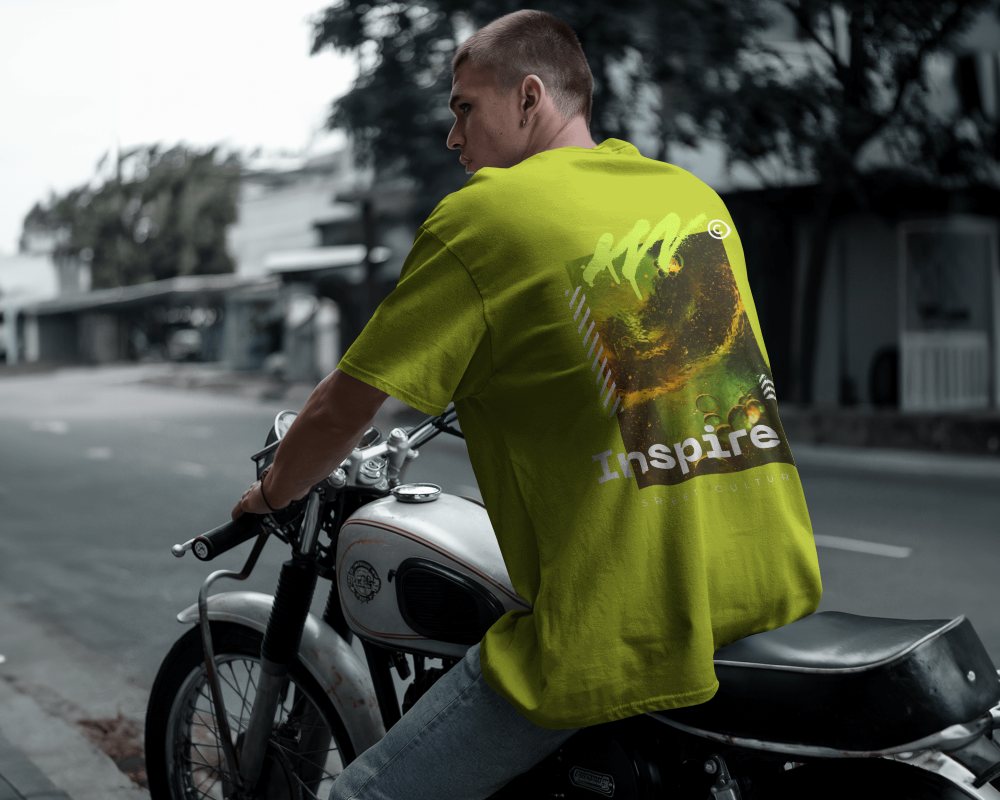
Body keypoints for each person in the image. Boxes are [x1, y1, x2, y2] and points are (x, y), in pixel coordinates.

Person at [231, 9, 823, 799]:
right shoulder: (690, 197)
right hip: (765, 588)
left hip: (623, 624)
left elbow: (345, 408)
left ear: (530, 97)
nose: (453, 138)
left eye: (463, 108)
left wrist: (274, 491)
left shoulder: (487, 218)